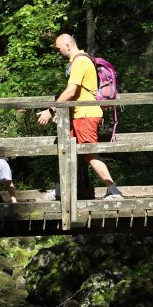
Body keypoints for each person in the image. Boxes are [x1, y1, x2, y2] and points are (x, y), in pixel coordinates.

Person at [36, 34, 122, 199]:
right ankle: (59, 191)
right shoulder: (78, 61)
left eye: (58, 48)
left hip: (86, 115)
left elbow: (71, 91)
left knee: (89, 153)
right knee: (66, 150)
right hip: (78, 115)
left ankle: (114, 191)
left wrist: (51, 110)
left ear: (68, 45)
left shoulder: (80, 62)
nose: (58, 51)